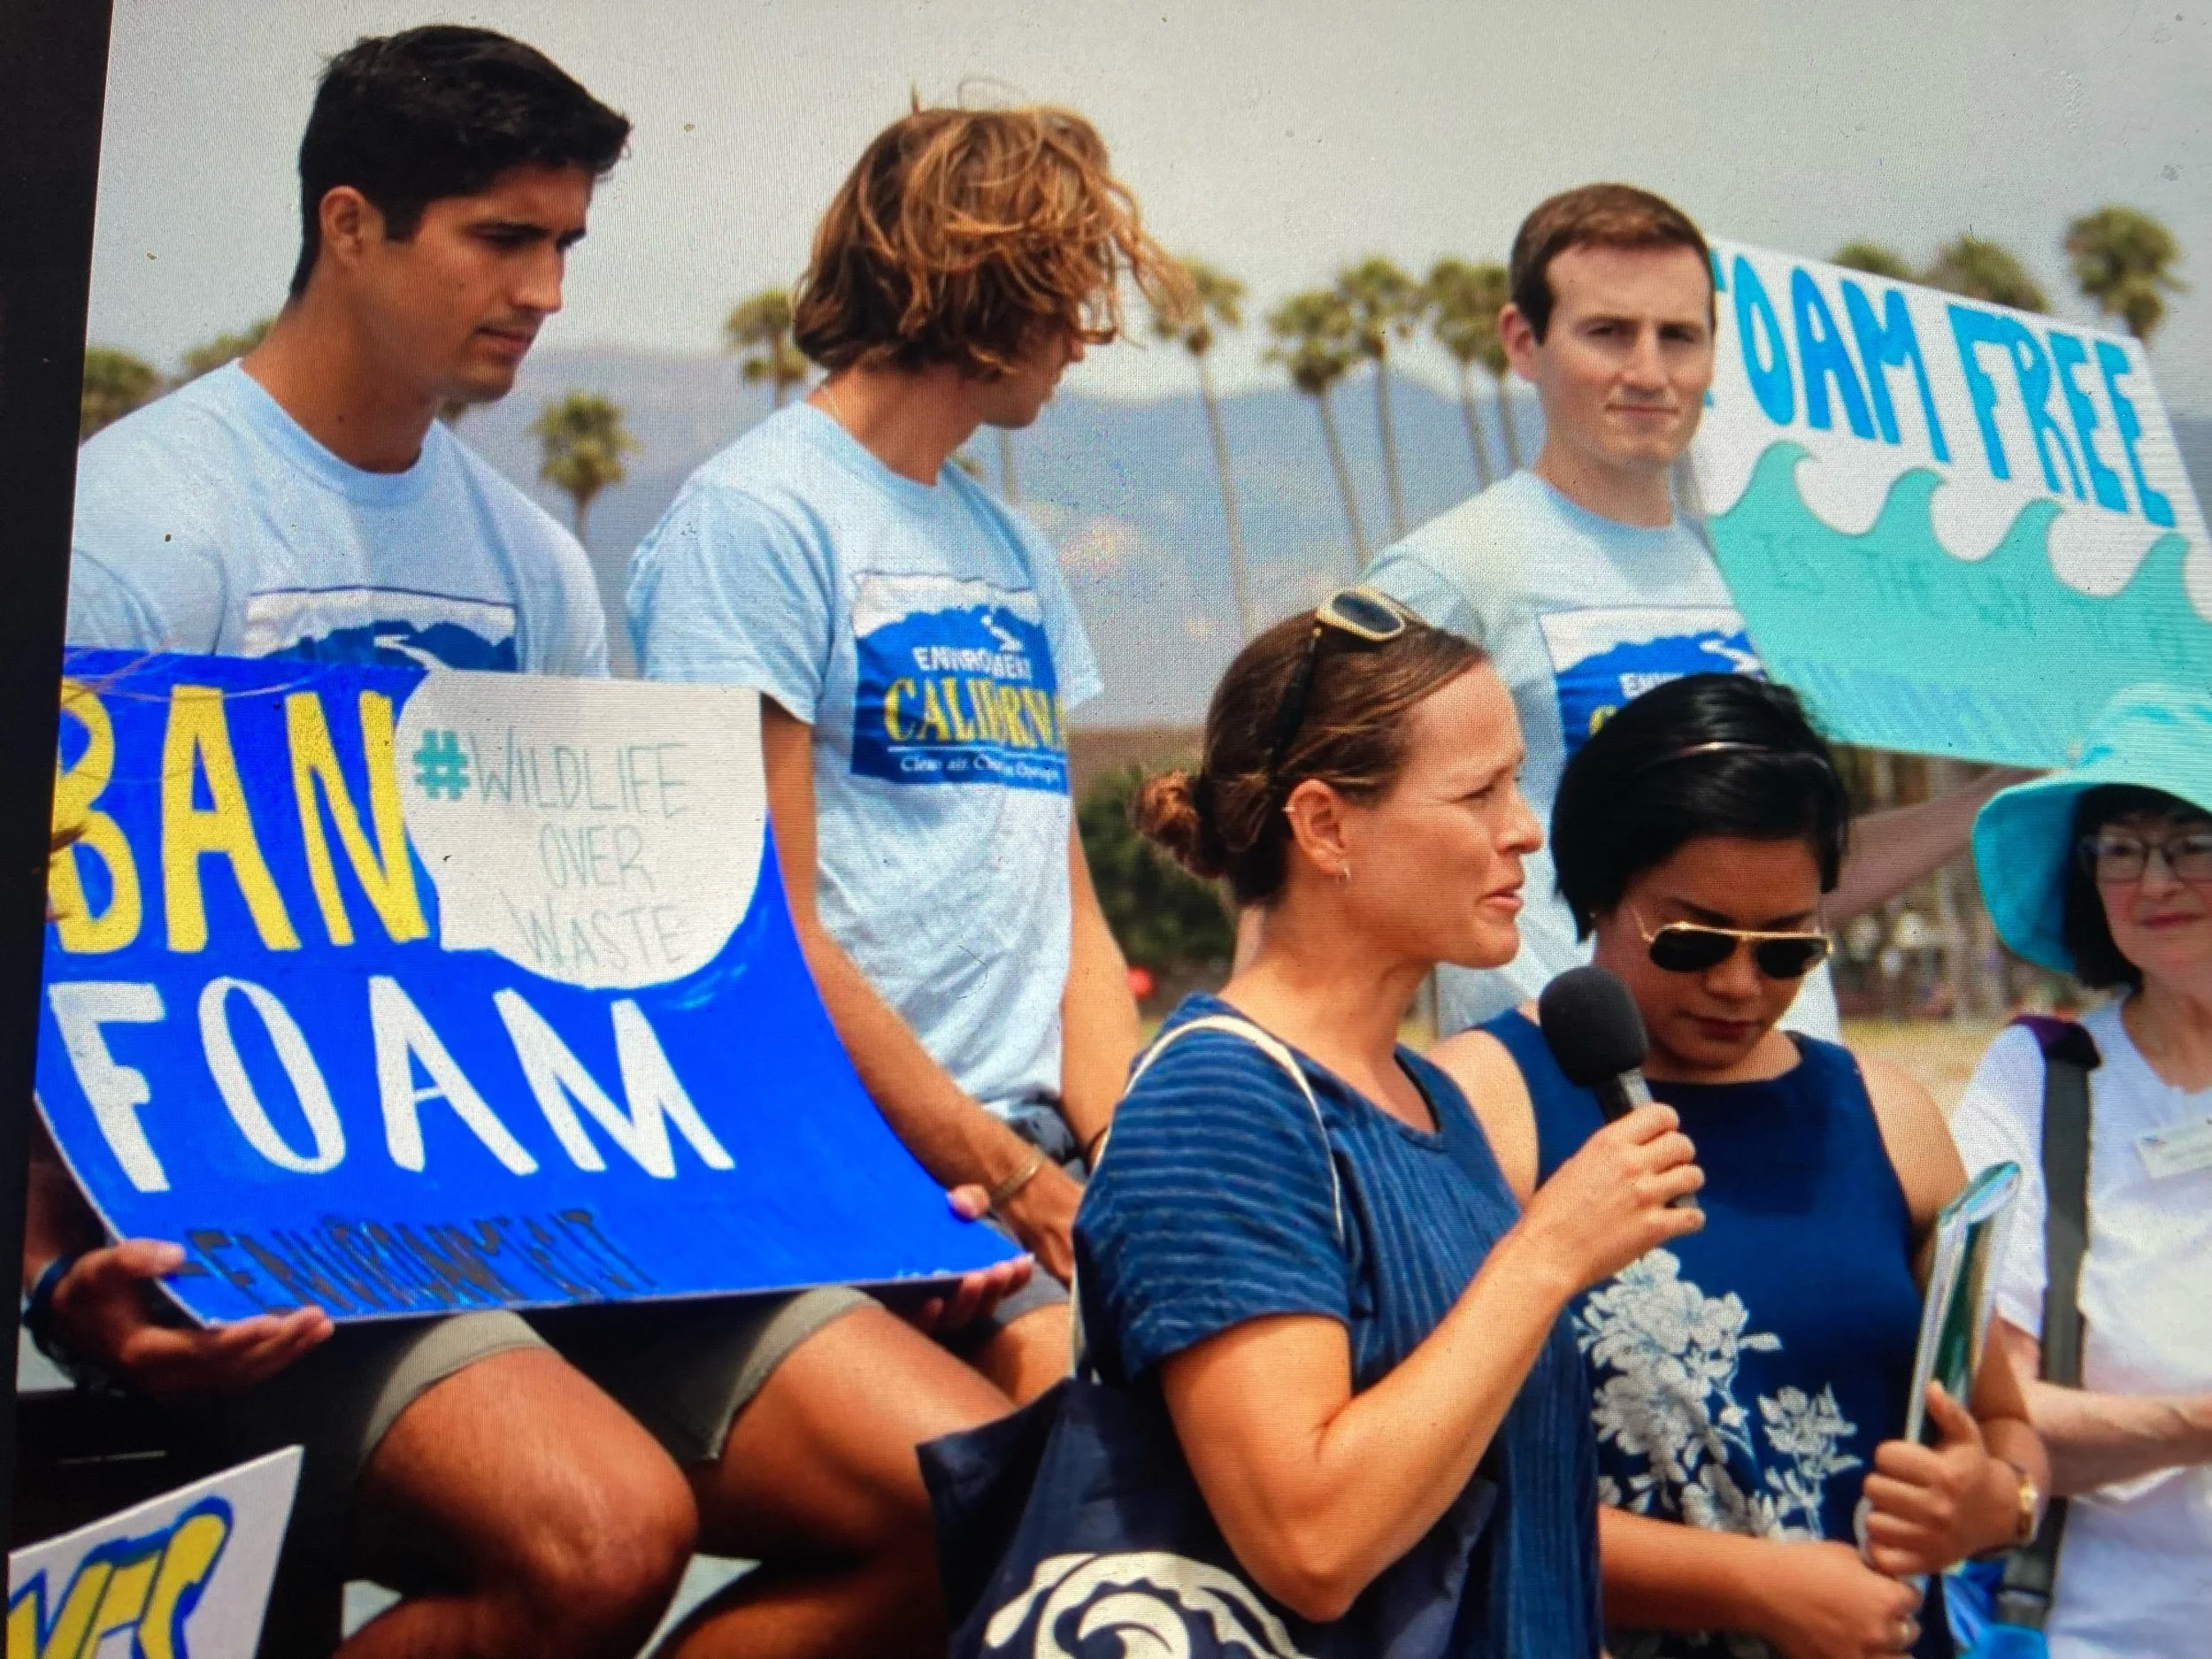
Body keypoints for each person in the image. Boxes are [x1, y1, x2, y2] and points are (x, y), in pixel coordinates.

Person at [45, 29, 1025, 1659]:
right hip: (269, 1246)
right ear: (350, 225)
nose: (547, 288)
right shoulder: (138, 526)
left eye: (567, 243)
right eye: (505, 237)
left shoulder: (531, 568)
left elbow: (632, 958)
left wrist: (852, 1210)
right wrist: (50, 1279)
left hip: (554, 1215)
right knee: (595, 1542)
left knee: (965, 1484)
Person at [629, 104, 1167, 1401]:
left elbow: (1070, 913)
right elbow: (766, 924)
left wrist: (1124, 1169)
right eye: (1070, 290)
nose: (1085, 336)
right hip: (857, 1150)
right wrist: (1015, 1173)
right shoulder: (757, 520)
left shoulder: (1012, 550)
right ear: (994, 285)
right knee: (1070, 1454)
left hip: (1027, 1149)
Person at [1074, 590, 1707, 1655]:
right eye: (1478, 793)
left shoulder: (1431, 1099)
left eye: (1517, 782)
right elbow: (1310, 1543)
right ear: (1324, 826)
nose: (1523, 831)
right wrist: (1545, 1255)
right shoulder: (1216, 1107)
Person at [1432, 672, 2048, 1659]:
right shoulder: (1480, 1107)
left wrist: (1997, 1501)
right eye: (1693, 938)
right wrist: (1756, 1585)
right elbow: (1432, 1503)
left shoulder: (1887, 1118)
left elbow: (2003, 1426)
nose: (1736, 983)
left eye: (1784, 950)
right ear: (1598, 890)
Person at [1363, 182, 2023, 1040]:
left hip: (1783, 1094)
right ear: (1522, 342)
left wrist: (2011, 789)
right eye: (1607, 332)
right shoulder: (1450, 574)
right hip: (1571, 1104)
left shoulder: (1752, 580)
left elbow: (1783, 881)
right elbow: (1326, 851)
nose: (1647, 372)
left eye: (1678, 336)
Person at [1949, 683, 2212, 1657]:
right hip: (2093, 1634)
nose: (2154, 882)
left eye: (2191, 841)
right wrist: (2192, 1424)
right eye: (2120, 847)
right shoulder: (2040, 1078)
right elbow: (1984, 1404)